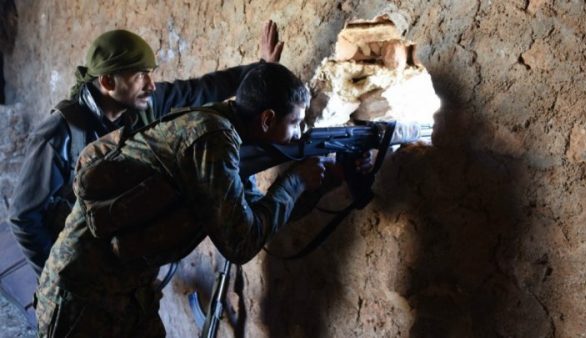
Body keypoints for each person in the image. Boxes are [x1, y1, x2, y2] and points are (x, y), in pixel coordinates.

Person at [35, 62, 371, 337]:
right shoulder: (213, 138)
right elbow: (240, 242)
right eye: (296, 123)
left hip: (124, 291)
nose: (299, 134)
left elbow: (257, 213)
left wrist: (325, 182)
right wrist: (296, 180)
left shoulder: (225, 130)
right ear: (267, 119)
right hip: (82, 296)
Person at [9, 21, 284, 276]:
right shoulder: (60, 133)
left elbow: (201, 89)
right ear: (107, 82)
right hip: (81, 266)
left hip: (122, 264)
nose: (151, 85)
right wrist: (55, 275)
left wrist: (260, 70)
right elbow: (24, 217)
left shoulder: (143, 104)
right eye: (141, 76)